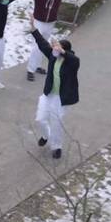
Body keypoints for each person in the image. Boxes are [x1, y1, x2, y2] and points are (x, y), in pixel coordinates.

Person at [29, 16, 79, 159]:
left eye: (58, 50)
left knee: (56, 122)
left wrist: (62, 51)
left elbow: (75, 60)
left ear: (65, 51)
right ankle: (45, 136)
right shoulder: (53, 56)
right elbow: (42, 43)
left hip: (61, 98)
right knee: (40, 119)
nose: (54, 51)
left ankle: (57, 147)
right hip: (48, 94)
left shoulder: (72, 62)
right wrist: (33, 28)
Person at [23, 0, 83, 82]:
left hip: (50, 23)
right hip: (39, 23)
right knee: (37, 46)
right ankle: (30, 69)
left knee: (44, 45)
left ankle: (37, 66)